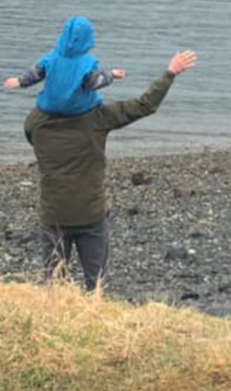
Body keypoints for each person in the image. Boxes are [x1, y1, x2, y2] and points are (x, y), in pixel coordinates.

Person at [23, 49, 196, 291]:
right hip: (90, 214)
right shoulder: (98, 118)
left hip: (54, 213)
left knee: (53, 284)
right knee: (95, 284)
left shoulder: (36, 120)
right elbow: (144, 105)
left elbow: (32, 137)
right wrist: (170, 73)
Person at [4, 16, 126, 116]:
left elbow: (36, 73)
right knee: (93, 99)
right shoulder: (88, 63)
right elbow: (95, 82)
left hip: (49, 107)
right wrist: (111, 75)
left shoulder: (51, 58)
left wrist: (20, 81)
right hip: (76, 108)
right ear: (88, 38)